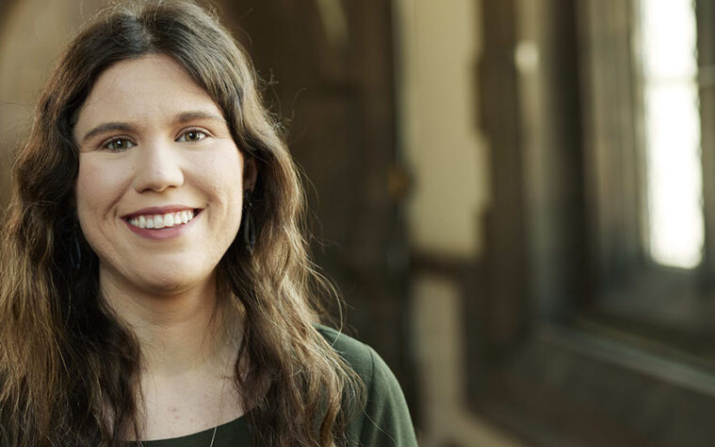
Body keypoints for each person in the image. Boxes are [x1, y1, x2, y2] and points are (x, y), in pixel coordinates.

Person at [0, 1, 418, 446]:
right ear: (67, 184)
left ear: (248, 170)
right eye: (117, 142)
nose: (160, 175)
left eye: (193, 134)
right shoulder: (11, 409)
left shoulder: (354, 393)